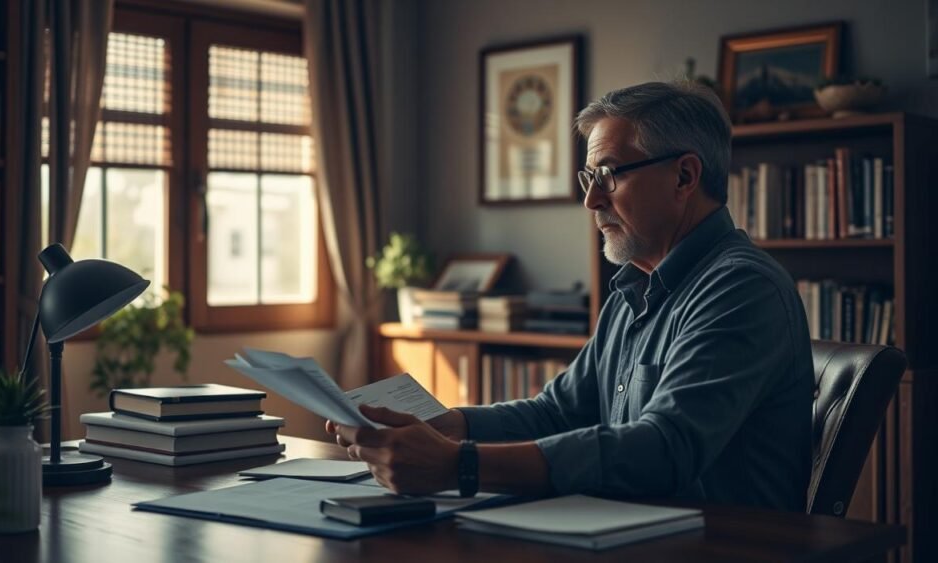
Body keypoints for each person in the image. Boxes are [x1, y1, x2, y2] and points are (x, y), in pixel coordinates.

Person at [328, 81, 814, 512]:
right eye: (589, 179)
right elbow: (556, 413)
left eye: (608, 175)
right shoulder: (633, 290)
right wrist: (449, 426)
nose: (591, 200)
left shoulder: (742, 289)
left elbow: (666, 448)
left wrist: (461, 465)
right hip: (628, 533)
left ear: (685, 177)